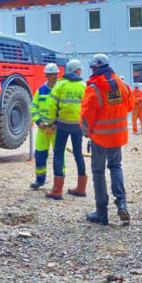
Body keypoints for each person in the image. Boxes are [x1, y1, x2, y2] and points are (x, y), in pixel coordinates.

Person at [81, 53, 134, 225]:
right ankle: (122, 204)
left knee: (98, 173)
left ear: (95, 68)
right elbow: (130, 106)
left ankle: (102, 214)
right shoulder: (121, 83)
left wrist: (86, 132)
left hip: (100, 138)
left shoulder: (95, 87)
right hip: (117, 137)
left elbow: (86, 114)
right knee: (116, 167)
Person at [50, 59, 88, 200]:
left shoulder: (60, 85)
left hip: (62, 125)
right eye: (80, 69)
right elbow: (87, 107)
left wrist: (52, 121)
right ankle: (81, 188)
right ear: (77, 71)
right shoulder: (83, 86)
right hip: (77, 126)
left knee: (59, 154)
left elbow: (52, 105)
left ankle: (57, 190)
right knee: (78, 154)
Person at [29, 63, 60, 191]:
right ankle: (39, 180)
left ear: (56, 75)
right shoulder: (41, 90)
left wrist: (56, 123)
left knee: (58, 156)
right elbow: (33, 106)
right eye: (47, 74)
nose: (49, 76)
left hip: (56, 129)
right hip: (43, 128)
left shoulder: (60, 89)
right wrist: (38, 122)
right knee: (40, 154)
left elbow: (64, 108)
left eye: (51, 74)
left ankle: (58, 182)